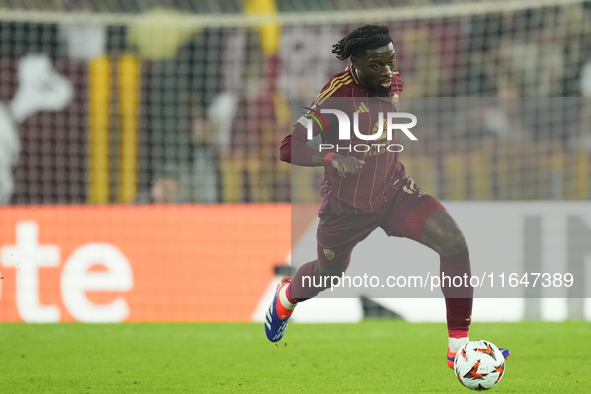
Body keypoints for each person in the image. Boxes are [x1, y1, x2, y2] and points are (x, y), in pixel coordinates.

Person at [264, 25, 510, 369]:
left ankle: (458, 348)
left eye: (390, 62)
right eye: (376, 65)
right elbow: (289, 147)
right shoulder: (337, 95)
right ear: (355, 64)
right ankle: (287, 297)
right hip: (346, 208)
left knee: (454, 243)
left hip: (394, 192)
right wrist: (332, 157)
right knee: (328, 273)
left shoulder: (394, 82)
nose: (387, 72)